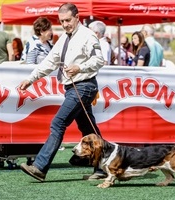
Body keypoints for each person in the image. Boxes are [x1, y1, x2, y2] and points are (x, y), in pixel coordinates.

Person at [18, 3, 105, 182]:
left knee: (58, 123)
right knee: (88, 129)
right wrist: (31, 79)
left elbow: (99, 60)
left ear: (77, 17)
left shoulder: (88, 35)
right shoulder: (64, 38)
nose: (64, 24)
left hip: (83, 86)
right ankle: (103, 167)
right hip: (75, 87)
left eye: (67, 20)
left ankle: (40, 167)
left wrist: (79, 67)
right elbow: (50, 61)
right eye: (61, 21)